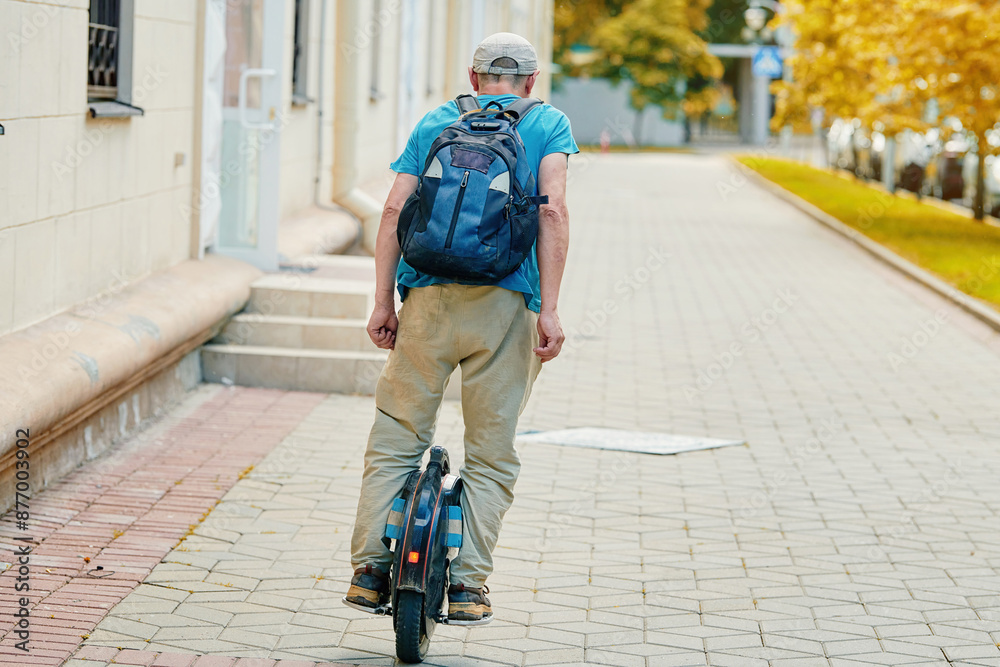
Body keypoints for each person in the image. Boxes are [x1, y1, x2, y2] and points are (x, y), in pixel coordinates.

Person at [346, 32, 578, 622]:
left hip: (427, 302)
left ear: (474, 78)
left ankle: (370, 572)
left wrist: (383, 302)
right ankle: (469, 586)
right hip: (506, 308)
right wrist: (549, 309)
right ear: (531, 80)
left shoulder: (436, 122)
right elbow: (552, 210)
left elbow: (394, 211)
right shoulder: (548, 124)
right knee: (491, 453)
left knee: (397, 437)